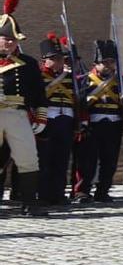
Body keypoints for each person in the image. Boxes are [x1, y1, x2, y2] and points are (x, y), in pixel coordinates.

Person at [0, 0, 46, 211]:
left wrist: (40, 116)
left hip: (17, 115)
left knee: (28, 158)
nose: (9, 43)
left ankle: (30, 204)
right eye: (6, 39)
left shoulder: (27, 64)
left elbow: (39, 92)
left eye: (13, 40)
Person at [75, 40, 123, 204]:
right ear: (96, 63)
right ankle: (82, 191)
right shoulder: (84, 80)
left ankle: (103, 191)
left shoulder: (122, 82)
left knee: (109, 161)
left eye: (111, 62)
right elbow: (79, 103)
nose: (109, 65)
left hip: (114, 125)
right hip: (92, 125)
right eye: (105, 62)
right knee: (87, 161)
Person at [35, 33, 74, 213]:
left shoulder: (68, 77)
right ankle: (43, 195)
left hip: (65, 120)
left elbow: (76, 99)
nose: (59, 62)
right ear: (46, 60)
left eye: (60, 58)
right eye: (55, 59)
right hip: (46, 120)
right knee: (45, 160)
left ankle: (58, 194)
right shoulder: (39, 76)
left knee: (61, 159)